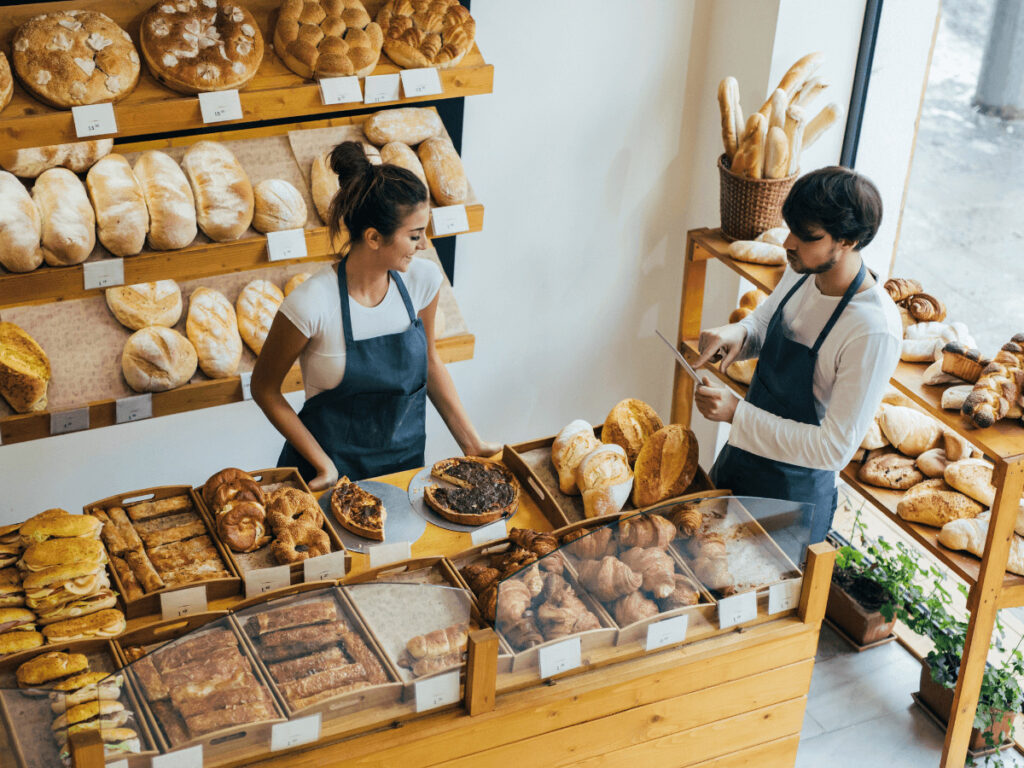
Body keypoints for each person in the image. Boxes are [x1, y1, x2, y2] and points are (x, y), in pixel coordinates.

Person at [252, 141, 498, 490]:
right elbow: (263, 388)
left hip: (403, 474)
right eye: (414, 236)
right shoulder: (311, 304)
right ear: (373, 237)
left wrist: (472, 442)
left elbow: (429, 361)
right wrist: (322, 465)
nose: (424, 245)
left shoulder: (422, 282)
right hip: (326, 482)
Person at [692, 166, 902, 544]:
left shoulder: (873, 330)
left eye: (806, 236)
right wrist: (738, 333)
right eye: (791, 228)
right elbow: (766, 322)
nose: (789, 243)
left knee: (752, 603)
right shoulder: (804, 267)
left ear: (848, 240)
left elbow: (833, 449)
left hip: (792, 505)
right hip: (739, 463)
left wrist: (737, 413)